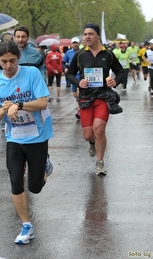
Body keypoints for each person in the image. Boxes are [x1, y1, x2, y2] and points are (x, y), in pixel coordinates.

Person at [0, 40, 53, 244]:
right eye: (4, 61)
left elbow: (43, 102)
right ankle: (26, 226)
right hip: (14, 138)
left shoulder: (31, 73)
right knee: (15, 180)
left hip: (37, 136)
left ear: (19, 59)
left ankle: (44, 165)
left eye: (12, 61)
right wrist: (5, 109)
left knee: (35, 187)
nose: (8, 65)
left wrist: (19, 104)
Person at [66, 23, 124, 175]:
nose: (87, 37)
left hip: (103, 97)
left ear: (98, 36)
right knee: (88, 135)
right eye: (85, 34)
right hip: (86, 98)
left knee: (99, 129)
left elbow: (120, 72)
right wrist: (79, 82)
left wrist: (114, 81)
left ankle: (100, 162)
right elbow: (69, 73)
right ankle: (91, 143)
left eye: (90, 34)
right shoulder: (79, 55)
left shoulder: (108, 54)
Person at [63, 37, 82, 119]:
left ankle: (79, 110)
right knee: (75, 94)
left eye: (76, 43)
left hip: (81, 75)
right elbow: (63, 62)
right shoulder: (68, 52)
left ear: (79, 43)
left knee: (79, 93)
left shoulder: (82, 52)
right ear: (71, 44)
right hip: (72, 75)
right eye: (74, 43)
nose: (75, 44)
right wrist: (65, 68)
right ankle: (80, 107)